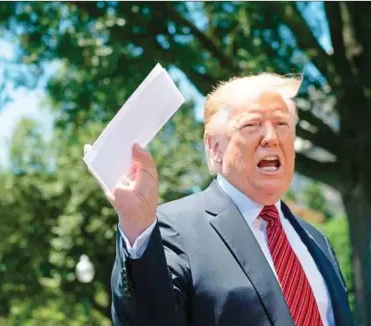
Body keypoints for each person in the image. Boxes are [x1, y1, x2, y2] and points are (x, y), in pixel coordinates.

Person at [85, 73, 354, 326]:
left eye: (282, 124)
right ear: (215, 147)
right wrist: (137, 224)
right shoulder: (171, 229)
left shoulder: (318, 242)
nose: (271, 138)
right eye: (251, 125)